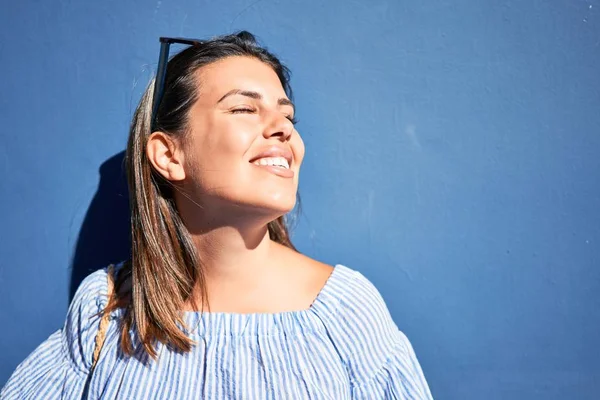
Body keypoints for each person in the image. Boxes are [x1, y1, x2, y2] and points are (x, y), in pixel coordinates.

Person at [1, 31, 433, 399]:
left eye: (288, 116)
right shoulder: (106, 308)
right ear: (169, 155)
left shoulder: (345, 312)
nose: (284, 128)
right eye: (245, 109)